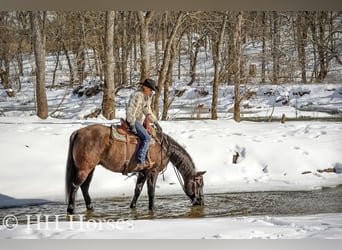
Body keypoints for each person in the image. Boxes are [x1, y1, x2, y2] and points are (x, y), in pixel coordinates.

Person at [126, 78, 162, 170]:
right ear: (145, 88)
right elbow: (131, 111)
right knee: (147, 138)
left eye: (152, 91)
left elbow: (147, 111)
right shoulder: (137, 95)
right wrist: (132, 124)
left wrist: (155, 122)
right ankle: (140, 160)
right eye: (150, 90)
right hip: (133, 120)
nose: (151, 92)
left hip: (137, 121)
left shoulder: (146, 97)